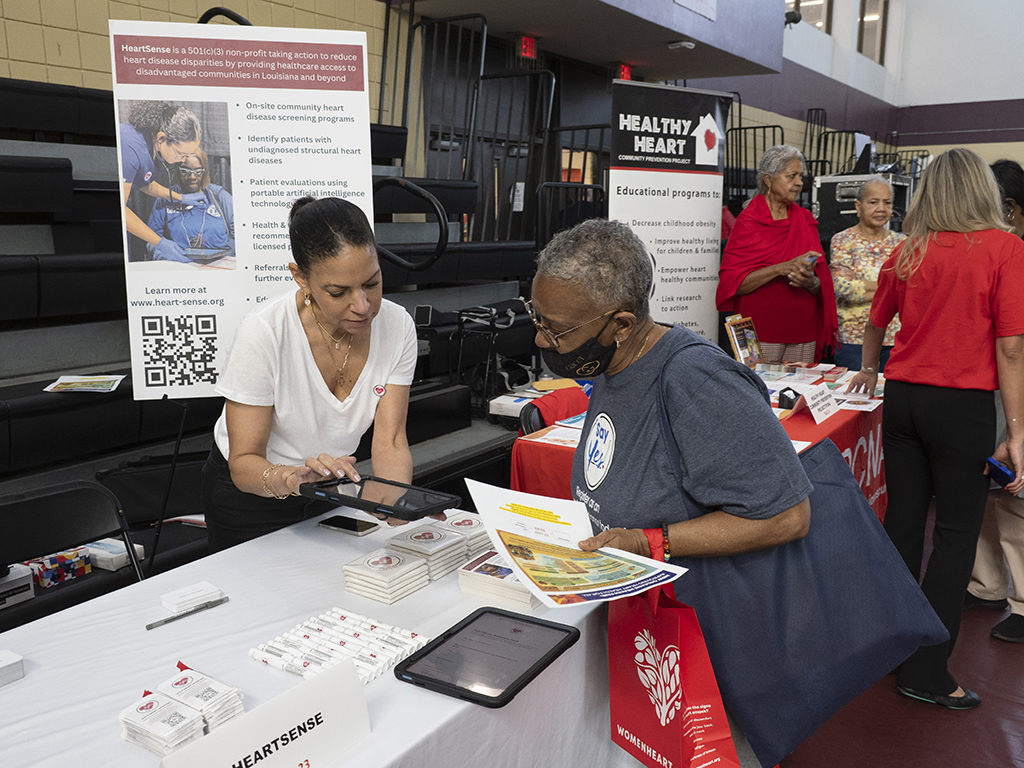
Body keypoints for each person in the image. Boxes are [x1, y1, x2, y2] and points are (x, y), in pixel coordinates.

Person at [527, 217, 814, 766]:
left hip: (713, 644)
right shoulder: (613, 362)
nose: (542, 339)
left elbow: (787, 516)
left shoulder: (694, 378)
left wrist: (649, 540)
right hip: (648, 631)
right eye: (537, 318)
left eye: (556, 329)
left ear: (620, 323)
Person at [847, 148, 1024, 708]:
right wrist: (1017, 431)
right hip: (961, 407)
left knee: (902, 524)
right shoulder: (1005, 248)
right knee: (953, 536)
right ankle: (926, 671)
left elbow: (875, 323)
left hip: (903, 401)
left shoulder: (907, 250)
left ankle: (891, 646)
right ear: (982, 191)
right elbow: (1011, 348)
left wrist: (869, 369)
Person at [201, 197, 418, 551]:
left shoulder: (397, 326)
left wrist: (396, 506)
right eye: (338, 292)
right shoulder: (264, 332)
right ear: (300, 277)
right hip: (252, 498)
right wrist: (292, 478)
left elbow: (391, 440)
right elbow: (244, 462)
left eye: (372, 283)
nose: (362, 306)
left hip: (329, 488)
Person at [966, 158, 1024, 643]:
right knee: (984, 489)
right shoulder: (990, 250)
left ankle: (1023, 602)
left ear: (1007, 207)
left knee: (1015, 498)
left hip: (1017, 389)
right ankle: (986, 585)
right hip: (986, 388)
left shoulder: (1015, 253)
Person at [716, 145, 838, 364]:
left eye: (801, 176)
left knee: (800, 386)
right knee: (754, 385)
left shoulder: (805, 219)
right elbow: (733, 284)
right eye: (792, 176)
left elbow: (822, 284)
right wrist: (781, 268)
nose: (799, 183)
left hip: (803, 330)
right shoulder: (748, 222)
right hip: (755, 331)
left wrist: (810, 283)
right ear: (768, 179)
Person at [829, 176, 906, 372]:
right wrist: (891, 284)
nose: (881, 208)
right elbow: (843, 289)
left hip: (894, 338)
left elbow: (909, 287)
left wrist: (862, 282)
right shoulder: (842, 241)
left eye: (887, 202)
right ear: (858, 206)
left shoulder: (902, 243)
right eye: (873, 202)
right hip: (855, 341)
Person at [119, 101, 205, 263]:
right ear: (161, 138)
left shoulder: (148, 143)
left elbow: (145, 184)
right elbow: (120, 209)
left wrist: (181, 198)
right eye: (180, 153)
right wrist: (160, 243)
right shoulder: (130, 146)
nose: (182, 160)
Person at [147, 148, 235, 258]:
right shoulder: (165, 198)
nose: (192, 177)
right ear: (178, 171)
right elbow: (151, 237)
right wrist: (163, 257)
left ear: (205, 172)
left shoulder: (219, 196)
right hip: (178, 262)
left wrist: (227, 255)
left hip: (219, 262)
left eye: (198, 171)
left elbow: (239, 234)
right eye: (185, 171)